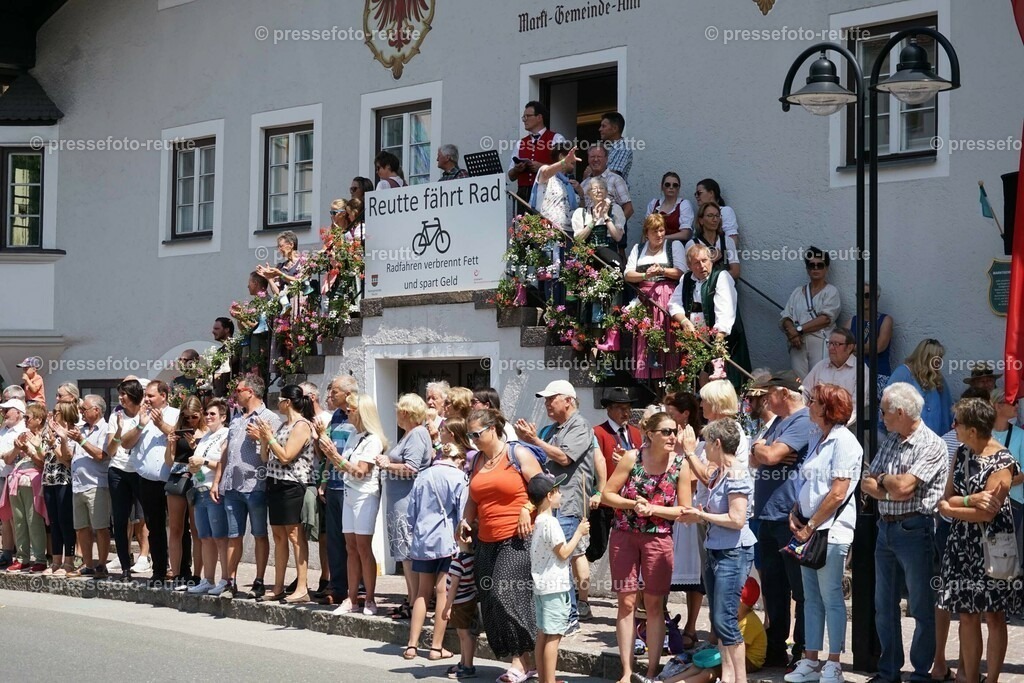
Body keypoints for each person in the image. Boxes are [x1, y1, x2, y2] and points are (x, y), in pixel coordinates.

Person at [861, 382, 949, 683]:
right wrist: (888, 489)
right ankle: (889, 672)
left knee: (921, 607)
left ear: (900, 412)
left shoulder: (931, 444)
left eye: (884, 412)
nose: (881, 417)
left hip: (916, 529)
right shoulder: (892, 440)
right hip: (885, 528)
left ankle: (921, 673)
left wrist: (883, 482)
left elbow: (905, 487)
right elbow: (867, 482)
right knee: (883, 608)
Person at [936, 398, 1022, 683]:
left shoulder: (1003, 462)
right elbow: (947, 497)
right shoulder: (961, 452)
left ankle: (993, 679)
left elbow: (987, 513)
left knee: (994, 615)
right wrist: (968, 500)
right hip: (961, 545)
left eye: (958, 423)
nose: (954, 428)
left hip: (992, 548)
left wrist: (951, 509)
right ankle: (970, 678)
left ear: (972, 429)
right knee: (967, 614)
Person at [602, 411, 690, 683]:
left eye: (674, 431)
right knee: (626, 603)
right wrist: (633, 505)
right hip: (624, 535)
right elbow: (607, 494)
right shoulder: (632, 457)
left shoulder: (680, 465)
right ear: (650, 434)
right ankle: (627, 672)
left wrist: (653, 508)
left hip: (658, 538)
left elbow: (683, 510)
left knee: (654, 605)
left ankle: (652, 671)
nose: (672, 437)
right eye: (666, 431)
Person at [785, 384, 863, 683]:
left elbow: (837, 492)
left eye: (815, 401)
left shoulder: (844, 441)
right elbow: (811, 484)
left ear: (828, 408)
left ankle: (834, 663)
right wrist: (796, 510)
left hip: (830, 531)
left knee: (831, 596)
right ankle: (811, 660)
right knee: (811, 597)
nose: (810, 404)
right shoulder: (819, 437)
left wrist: (810, 525)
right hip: (809, 528)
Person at [459, 408, 542, 683]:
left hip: (517, 538)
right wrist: (465, 521)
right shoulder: (478, 460)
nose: (472, 439)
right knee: (490, 601)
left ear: (492, 428)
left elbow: (547, 486)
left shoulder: (517, 454)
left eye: (476, 434)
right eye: (469, 435)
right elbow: (473, 497)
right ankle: (526, 662)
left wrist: (526, 508)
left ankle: (521, 663)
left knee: (503, 592)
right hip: (486, 540)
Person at [514, 379, 595, 636]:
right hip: (550, 505)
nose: (547, 404)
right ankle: (559, 616)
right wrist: (526, 440)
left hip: (569, 504)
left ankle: (570, 617)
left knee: (563, 559)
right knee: (553, 560)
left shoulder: (581, 426)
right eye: (546, 399)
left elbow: (563, 457)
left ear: (568, 401)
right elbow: (540, 461)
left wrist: (535, 439)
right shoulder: (551, 430)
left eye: (552, 398)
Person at [679, 419, 757, 683]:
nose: (704, 449)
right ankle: (728, 676)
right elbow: (714, 512)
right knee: (718, 617)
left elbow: (737, 520)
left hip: (733, 551)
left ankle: (739, 679)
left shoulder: (736, 473)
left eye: (706, 443)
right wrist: (698, 516)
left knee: (725, 619)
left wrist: (702, 515)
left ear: (717, 443)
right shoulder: (718, 473)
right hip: (717, 549)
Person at [749, 370, 810, 670]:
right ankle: (775, 648)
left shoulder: (803, 420)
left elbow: (771, 457)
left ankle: (801, 650)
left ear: (784, 394)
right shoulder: (778, 423)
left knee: (799, 589)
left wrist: (765, 452)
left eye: (769, 393)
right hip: (768, 515)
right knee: (773, 587)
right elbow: (755, 456)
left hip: (790, 517)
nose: (765, 399)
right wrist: (761, 450)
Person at [214, 375, 281, 599]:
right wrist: (218, 481)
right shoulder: (237, 418)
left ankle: (259, 581)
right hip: (232, 485)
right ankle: (229, 582)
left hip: (256, 485)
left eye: (238, 390)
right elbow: (227, 451)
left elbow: (275, 453)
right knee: (234, 535)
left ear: (250, 392)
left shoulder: (269, 418)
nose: (235, 393)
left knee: (260, 534)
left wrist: (263, 437)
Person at [403, 433, 467, 661]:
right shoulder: (459, 477)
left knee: (421, 592)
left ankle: (411, 645)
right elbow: (462, 515)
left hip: (423, 540)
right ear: (459, 459)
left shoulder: (423, 475)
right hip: (446, 541)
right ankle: (436, 647)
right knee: (443, 592)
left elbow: (411, 511)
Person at [320, 392, 385, 614]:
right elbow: (343, 466)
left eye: (352, 409)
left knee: (363, 547)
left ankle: (370, 598)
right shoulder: (354, 436)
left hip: (365, 495)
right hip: (349, 494)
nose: (347, 411)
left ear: (362, 412)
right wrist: (331, 455)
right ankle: (351, 598)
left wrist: (336, 457)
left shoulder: (373, 439)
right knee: (350, 547)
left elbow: (360, 471)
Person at [528, 472, 590, 683]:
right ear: (548, 496)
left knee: (543, 634)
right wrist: (579, 533)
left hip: (542, 586)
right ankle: (550, 680)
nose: (560, 494)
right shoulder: (551, 523)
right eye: (556, 491)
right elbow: (563, 553)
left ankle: (544, 679)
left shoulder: (538, 520)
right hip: (554, 587)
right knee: (553, 637)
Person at [256, 383, 315, 603]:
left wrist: (269, 438)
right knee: (279, 535)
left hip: (293, 484)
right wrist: (265, 439)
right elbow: (265, 457)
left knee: (294, 536)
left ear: (287, 402)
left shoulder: (301, 425)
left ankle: (302, 587)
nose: (277, 404)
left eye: (279, 399)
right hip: (275, 482)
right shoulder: (282, 426)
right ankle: (278, 586)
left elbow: (287, 456)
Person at [376, 393, 433, 617]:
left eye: (399, 410)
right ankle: (411, 600)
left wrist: (387, 464)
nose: (396, 414)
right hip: (400, 501)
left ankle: (414, 602)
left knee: (408, 555)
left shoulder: (417, 434)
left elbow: (411, 469)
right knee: (405, 555)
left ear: (406, 413)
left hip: (407, 503)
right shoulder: (410, 434)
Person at [669, 242, 752, 389]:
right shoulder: (686, 279)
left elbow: (725, 311)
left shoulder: (722, 277)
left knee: (724, 379)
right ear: (689, 265)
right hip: (698, 339)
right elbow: (674, 304)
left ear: (711, 260)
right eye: (696, 263)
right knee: (701, 375)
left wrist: (718, 340)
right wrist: (684, 321)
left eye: (705, 261)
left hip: (723, 340)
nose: (702, 266)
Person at [660, 577, 767, 683]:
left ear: (739, 600)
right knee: (696, 666)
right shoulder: (735, 616)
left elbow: (737, 651)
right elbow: (718, 641)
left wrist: (715, 659)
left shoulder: (749, 622)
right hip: (732, 654)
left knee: (708, 672)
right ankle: (665, 682)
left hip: (749, 661)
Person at [664, 390, 705, 651]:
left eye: (671, 414)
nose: (666, 419)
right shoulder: (665, 442)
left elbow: (698, 479)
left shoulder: (699, 444)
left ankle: (691, 627)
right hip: (666, 512)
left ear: (685, 414)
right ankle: (662, 625)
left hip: (688, 512)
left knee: (694, 575)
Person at [312, 374, 357, 607]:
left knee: (354, 541)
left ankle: (357, 588)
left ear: (348, 394)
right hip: (334, 485)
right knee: (335, 541)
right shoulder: (336, 417)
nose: (330, 395)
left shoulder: (358, 415)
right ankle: (339, 587)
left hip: (353, 485)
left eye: (334, 392)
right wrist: (324, 481)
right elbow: (328, 453)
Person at [129, 380, 180, 586]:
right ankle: (159, 569)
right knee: (154, 526)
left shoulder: (176, 414)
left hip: (172, 480)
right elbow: (126, 443)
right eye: (146, 396)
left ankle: (179, 570)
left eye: (151, 396)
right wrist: (141, 424)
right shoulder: (141, 415)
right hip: (148, 480)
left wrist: (161, 425)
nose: (147, 400)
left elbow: (181, 437)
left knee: (177, 528)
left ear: (164, 396)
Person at [624, 213, 687, 379]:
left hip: (667, 298)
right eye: (654, 231)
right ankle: (649, 381)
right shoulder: (639, 249)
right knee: (647, 338)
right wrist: (645, 276)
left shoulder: (674, 246)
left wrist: (662, 271)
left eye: (661, 230)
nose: (659, 235)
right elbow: (628, 274)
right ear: (647, 233)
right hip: (645, 299)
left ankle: (670, 382)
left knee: (667, 337)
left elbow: (682, 272)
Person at [591, 388, 642, 564]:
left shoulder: (636, 433)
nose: (625, 412)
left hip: (632, 500)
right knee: (597, 548)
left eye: (628, 408)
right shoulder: (598, 432)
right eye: (620, 408)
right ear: (609, 409)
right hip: (607, 502)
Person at [185, 398, 231, 595]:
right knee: (204, 537)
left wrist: (202, 461)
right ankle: (208, 579)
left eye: (213, 414)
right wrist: (195, 466)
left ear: (223, 417)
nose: (208, 417)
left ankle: (225, 579)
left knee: (220, 537)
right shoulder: (204, 437)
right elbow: (200, 464)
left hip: (215, 489)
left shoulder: (226, 434)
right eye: (207, 413)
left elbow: (224, 462)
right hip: (199, 488)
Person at [103, 379, 145, 580]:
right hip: (118, 470)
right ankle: (125, 565)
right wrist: (119, 432)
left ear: (135, 396)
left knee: (149, 518)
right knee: (120, 520)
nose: (120, 398)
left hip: (140, 471)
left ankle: (152, 559)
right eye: (119, 394)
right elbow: (110, 450)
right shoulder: (115, 416)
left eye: (124, 395)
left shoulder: (145, 414)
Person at [780, 247, 842, 378]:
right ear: (807, 269)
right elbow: (786, 316)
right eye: (811, 265)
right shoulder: (797, 292)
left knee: (820, 379)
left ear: (826, 268)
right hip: (797, 343)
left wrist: (799, 330)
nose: (815, 268)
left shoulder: (831, 291)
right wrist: (793, 332)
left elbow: (826, 319)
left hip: (820, 341)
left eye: (820, 265)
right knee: (799, 382)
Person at [1, 402, 49, 571]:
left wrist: (29, 451)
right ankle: (22, 557)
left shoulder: (45, 436)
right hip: (17, 480)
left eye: (28, 417)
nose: (26, 420)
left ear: (39, 419)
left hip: (32, 481)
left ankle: (40, 558)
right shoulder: (23, 435)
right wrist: (16, 447)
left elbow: (43, 462)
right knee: (19, 521)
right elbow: (7, 459)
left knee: (33, 520)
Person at [67, 395, 111, 577]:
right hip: (78, 485)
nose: (81, 412)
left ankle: (101, 564)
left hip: (96, 484)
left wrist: (81, 441)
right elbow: (71, 455)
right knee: (81, 527)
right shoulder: (80, 429)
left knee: (100, 527)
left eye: (84, 409)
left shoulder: (106, 429)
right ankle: (88, 564)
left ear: (97, 410)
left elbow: (102, 455)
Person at [165, 396, 204, 588]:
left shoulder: (205, 431)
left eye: (194, 417)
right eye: (186, 417)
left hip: (198, 478)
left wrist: (194, 447)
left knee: (197, 530)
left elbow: (206, 460)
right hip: (177, 476)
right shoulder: (176, 430)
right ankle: (177, 573)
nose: (189, 421)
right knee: (175, 528)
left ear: (201, 413)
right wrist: (169, 444)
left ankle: (197, 575)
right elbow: (169, 461)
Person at [802, 327, 871, 428]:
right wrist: (806, 414)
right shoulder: (821, 365)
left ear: (849, 348)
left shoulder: (860, 369)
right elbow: (805, 391)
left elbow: (856, 407)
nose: (831, 348)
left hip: (850, 424)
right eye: (829, 343)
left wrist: (836, 428)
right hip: (817, 420)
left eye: (836, 344)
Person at [886, 338, 954, 437]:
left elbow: (947, 408)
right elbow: (888, 403)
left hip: (935, 439)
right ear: (927, 357)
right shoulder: (904, 373)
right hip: (908, 438)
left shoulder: (937, 377)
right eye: (937, 358)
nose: (939, 362)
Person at [42, 403, 79, 575]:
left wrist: (55, 444)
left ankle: (69, 562)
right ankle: (56, 561)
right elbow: (43, 454)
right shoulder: (48, 430)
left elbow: (67, 460)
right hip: (48, 480)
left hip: (64, 480)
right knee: (54, 521)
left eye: (56, 411)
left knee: (66, 521)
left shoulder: (72, 432)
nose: (52, 413)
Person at [990, 390, 1024, 572]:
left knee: (1008, 557)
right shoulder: (983, 435)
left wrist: (999, 484)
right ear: (998, 406)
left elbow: (1023, 473)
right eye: (1013, 402)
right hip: (985, 503)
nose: (1017, 406)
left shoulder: (1021, 436)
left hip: (1013, 504)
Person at [508, 100, 566, 205]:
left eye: (527, 116)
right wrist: (517, 169)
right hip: (524, 195)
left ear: (539, 117)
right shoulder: (520, 143)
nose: (524, 120)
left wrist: (542, 167)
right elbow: (511, 176)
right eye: (523, 117)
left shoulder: (556, 138)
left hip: (548, 193)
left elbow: (565, 168)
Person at [441, 535, 479, 680]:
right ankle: (464, 663)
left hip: (459, 602)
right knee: (465, 634)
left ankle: (468, 666)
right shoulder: (472, 558)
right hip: (470, 598)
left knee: (465, 635)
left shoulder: (458, 561)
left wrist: (447, 606)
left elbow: (454, 586)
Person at [847, 283, 894, 395]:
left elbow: (878, 347)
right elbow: (841, 346)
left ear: (876, 297)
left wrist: (852, 348)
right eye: (860, 295)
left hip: (877, 374)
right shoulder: (852, 321)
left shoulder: (885, 320)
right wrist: (864, 347)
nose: (864, 299)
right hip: (854, 374)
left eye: (867, 295)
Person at [572, 176, 626, 268]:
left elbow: (618, 237)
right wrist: (593, 221)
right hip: (589, 260)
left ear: (606, 192)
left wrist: (606, 216)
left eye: (601, 188)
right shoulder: (581, 213)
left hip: (609, 258)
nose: (599, 191)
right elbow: (578, 239)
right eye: (594, 189)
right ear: (589, 193)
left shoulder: (615, 210)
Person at [0, 391, 28, 567]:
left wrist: (5, 455)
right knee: (4, 517)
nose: (4, 413)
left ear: (18, 412)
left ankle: (20, 553)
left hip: (13, 477)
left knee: (14, 518)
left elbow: (15, 456)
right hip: (2, 475)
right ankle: (7, 552)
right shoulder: (4, 429)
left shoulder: (23, 430)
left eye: (8, 410)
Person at [686, 201, 740, 280]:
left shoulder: (727, 241)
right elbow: (690, 274)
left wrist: (714, 280)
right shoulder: (692, 244)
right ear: (701, 220)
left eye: (717, 216)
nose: (715, 219)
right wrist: (711, 261)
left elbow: (735, 272)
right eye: (710, 216)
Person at [646, 172, 693, 242]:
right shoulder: (654, 204)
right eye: (667, 184)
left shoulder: (684, 205)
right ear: (662, 187)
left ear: (679, 188)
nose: (671, 187)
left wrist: (662, 238)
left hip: (676, 247)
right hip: (653, 246)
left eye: (675, 185)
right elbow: (645, 230)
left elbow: (686, 234)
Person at [599, 111, 633, 181]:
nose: (600, 129)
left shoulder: (623, 149)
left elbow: (612, 177)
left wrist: (593, 173)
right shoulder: (603, 148)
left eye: (603, 126)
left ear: (615, 128)